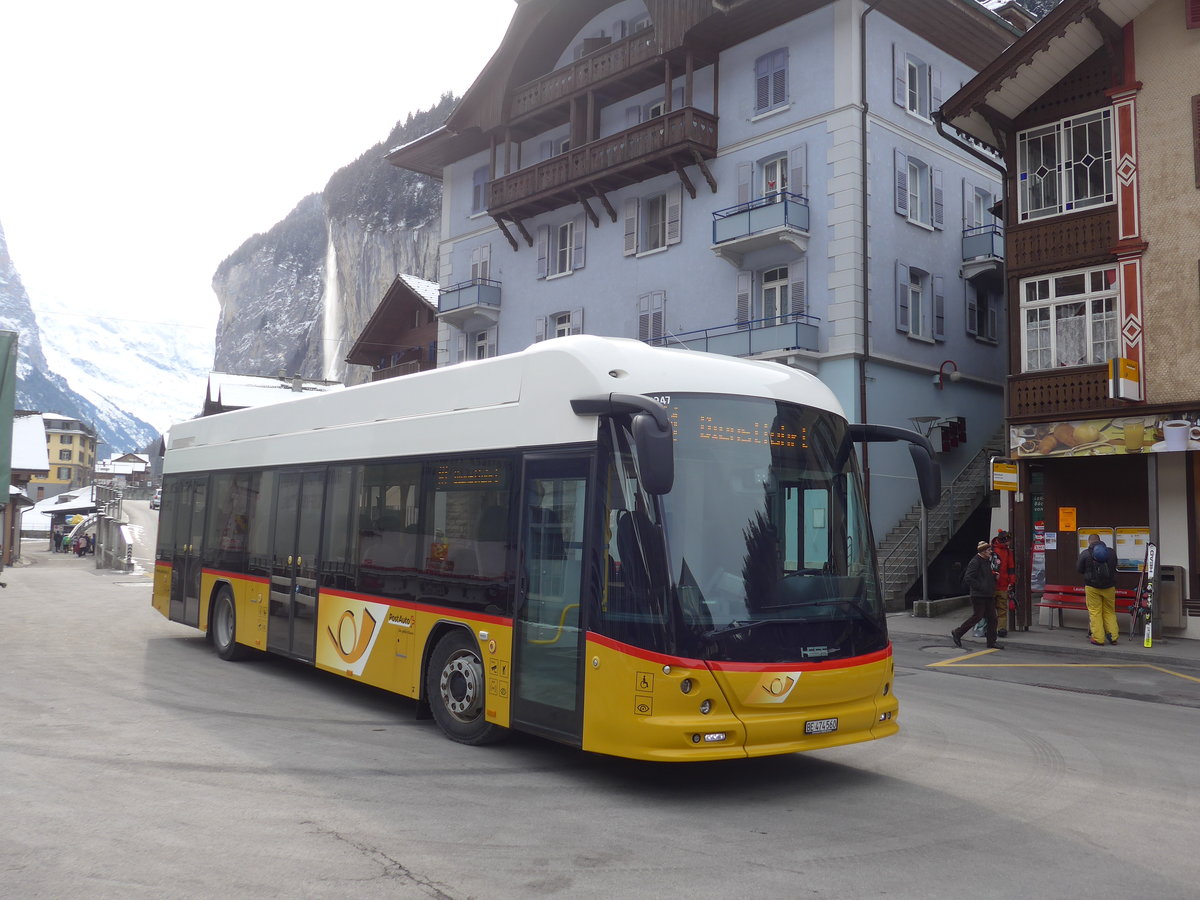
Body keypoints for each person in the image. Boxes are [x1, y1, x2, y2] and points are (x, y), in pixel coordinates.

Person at [952, 541, 1003, 649]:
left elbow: (985, 577)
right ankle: (958, 632)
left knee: (993, 618)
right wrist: (981, 587)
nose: (991, 551)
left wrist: (994, 578)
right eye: (989, 550)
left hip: (988, 594)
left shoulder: (986, 561)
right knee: (977, 616)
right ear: (983, 551)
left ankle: (991, 642)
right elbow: (968, 578)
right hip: (978, 595)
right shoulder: (975, 561)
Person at [1077, 533, 1119, 646]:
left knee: (1095, 612)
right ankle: (1113, 636)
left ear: (1089, 542)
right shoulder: (1111, 553)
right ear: (1100, 541)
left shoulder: (1085, 554)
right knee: (1109, 611)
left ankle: (1098, 638)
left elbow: (1079, 569)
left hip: (1092, 587)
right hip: (1109, 587)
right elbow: (1115, 566)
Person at [991, 530, 1016, 637]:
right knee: (1000, 609)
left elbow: (1011, 568)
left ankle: (999, 629)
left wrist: (1011, 581)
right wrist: (1011, 581)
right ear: (1005, 540)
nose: (1009, 542)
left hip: (997, 584)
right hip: (999, 584)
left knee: (996, 609)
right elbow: (1011, 568)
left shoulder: (993, 550)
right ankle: (999, 629)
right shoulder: (1005, 552)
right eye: (1008, 540)